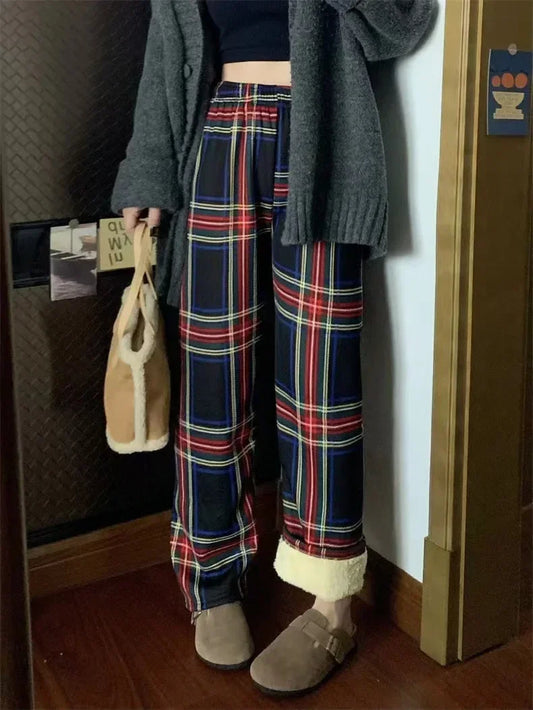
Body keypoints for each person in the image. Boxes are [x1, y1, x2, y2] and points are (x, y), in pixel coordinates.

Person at [111, 0, 436, 696]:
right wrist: (148, 172)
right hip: (218, 139)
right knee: (211, 374)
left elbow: (402, 25)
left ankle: (332, 603)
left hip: (324, 144)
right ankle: (212, 576)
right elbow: (167, 52)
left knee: (321, 386)